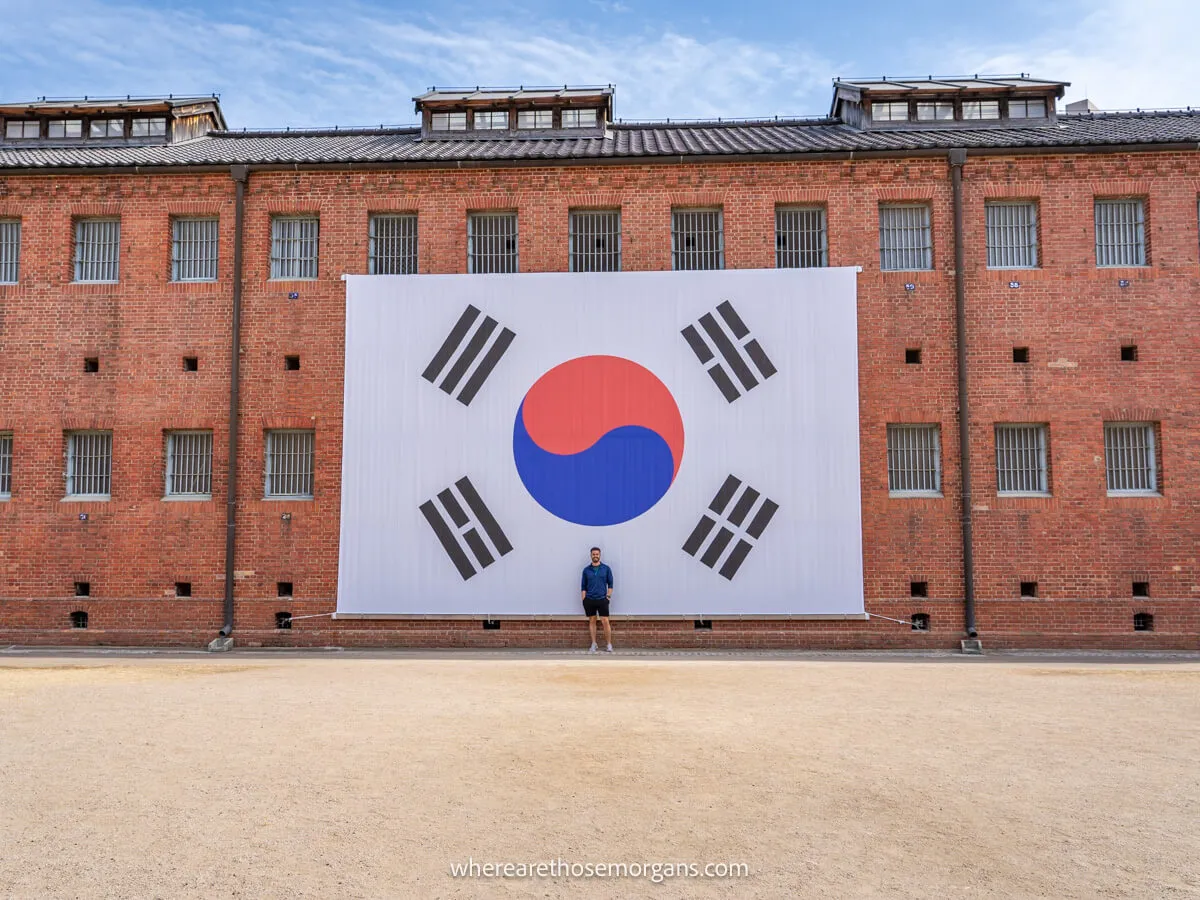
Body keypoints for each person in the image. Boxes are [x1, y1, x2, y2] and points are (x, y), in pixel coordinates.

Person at [581, 546, 614, 653]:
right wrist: (584, 599)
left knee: (605, 621)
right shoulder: (586, 570)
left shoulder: (606, 569)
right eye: (593, 554)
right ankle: (594, 644)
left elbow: (611, 584)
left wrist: (608, 596)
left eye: (597, 554)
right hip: (589, 599)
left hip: (602, 599)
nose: (595, 556)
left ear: (600, 555)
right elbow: (583, 586)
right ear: (591, 555)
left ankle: (609, 644)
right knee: (592, 621)